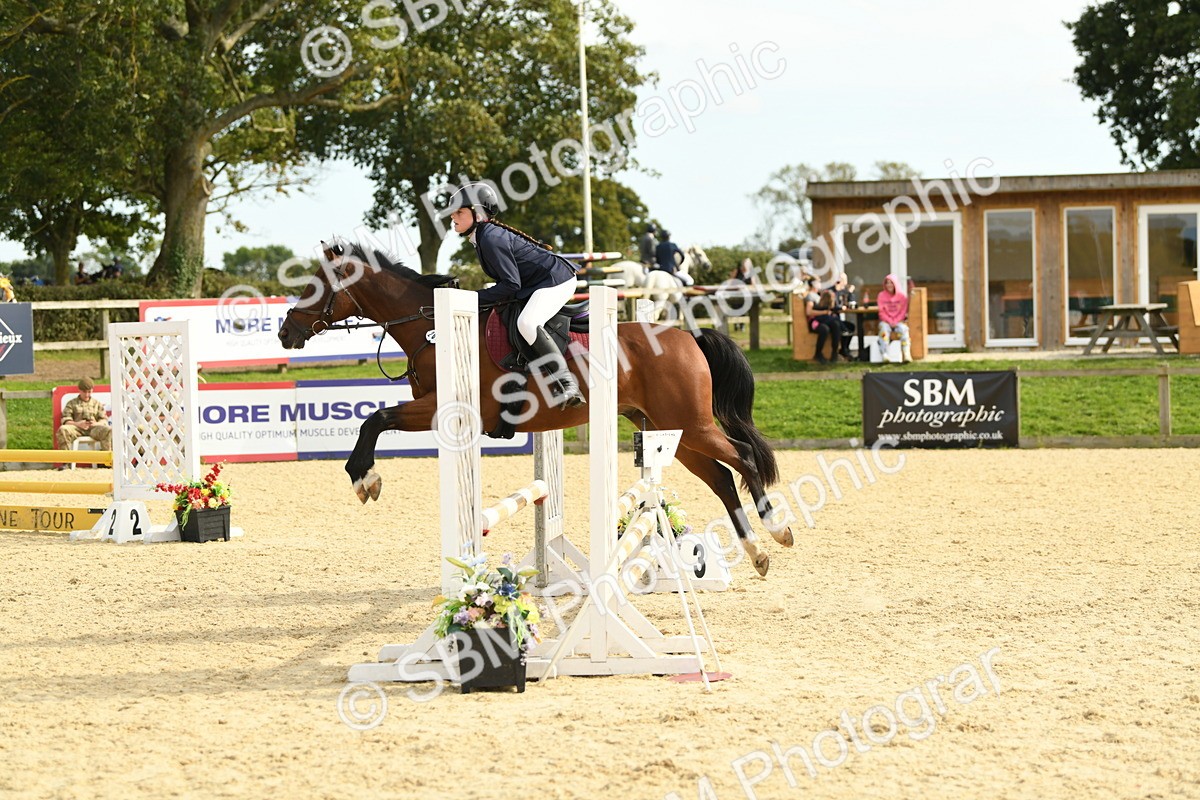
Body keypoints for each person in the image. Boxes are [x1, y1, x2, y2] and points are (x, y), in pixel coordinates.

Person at [448, 183, 584, 408]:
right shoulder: (483, 236)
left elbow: (511, 284)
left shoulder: (490, 239)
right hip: (536, 283)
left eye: (459, 211)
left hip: (556, 280)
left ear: (478, 215)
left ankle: (568, 383)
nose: (453, 216)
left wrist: (470, 298)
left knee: (527, 323)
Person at [56, 378, 111, 451]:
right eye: (84, 392)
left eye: (89, 392)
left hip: (93, 429)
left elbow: (104, 420)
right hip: (77, 429)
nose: (87, 394)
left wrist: (95, 423)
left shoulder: (97, 404)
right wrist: (78, 424)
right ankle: (66, 460)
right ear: (79, 390)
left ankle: (105, 459)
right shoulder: (72, 403)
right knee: (63, 430)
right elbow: (65, 420)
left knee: (108, 430)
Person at [804, 277, 843, 364]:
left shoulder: (819, 295)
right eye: (818, 282)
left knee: (836, 325)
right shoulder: (810, 296)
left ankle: (834, 353)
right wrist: (824, 312)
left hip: (824, 320)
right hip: (815, 322)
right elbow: (809, 312)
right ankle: (818, 354)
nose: (820, 284)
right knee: (824, 329)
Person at [876, 273, 912, 363]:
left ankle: (906, 353)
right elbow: (881, 312)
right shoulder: (881, 296)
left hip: (898, 321)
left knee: (904, 329)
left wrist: (895, 321)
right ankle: (885, 354)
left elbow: (903, 311)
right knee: (883, 329)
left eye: (891, 283)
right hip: (886, 321)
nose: (889, 285)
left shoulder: (902, 296)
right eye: (887, 283)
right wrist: (889, 321)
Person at [834, 272, 856, 359]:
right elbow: (834, 305)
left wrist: (850, 293)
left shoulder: (843, 291)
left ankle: (845, 348)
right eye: (843, 280)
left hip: (837, 318)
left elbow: (851, 302)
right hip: (833, 318)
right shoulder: (834, 291)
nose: (845, 283)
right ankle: (844, 350)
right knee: (846, 329)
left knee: (851, 327)